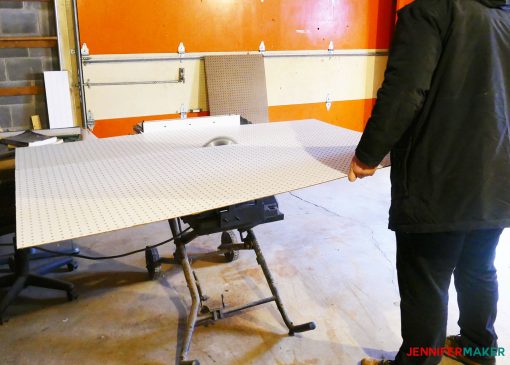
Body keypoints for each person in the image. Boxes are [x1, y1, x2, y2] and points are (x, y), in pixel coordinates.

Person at [348, 1, 510, 365]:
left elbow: (405, 91)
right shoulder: (504, 15)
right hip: (497, 174)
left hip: (439, 176)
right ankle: (478, 350)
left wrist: (368, 154)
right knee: (479, 266)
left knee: (426, 277)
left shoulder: (430, 12)